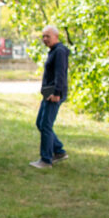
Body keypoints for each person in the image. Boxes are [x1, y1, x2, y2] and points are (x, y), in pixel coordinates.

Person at [30, 25, 70, 168]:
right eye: (43, 36)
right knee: (40, 123)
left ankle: (46, 160)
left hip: (54, 92)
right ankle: (59, 151)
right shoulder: (54, 51)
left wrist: (57, 93)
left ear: (56, 36)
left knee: (46, 125)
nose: (45, 39)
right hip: (48, 91)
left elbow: (61, 73)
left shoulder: (59, 51)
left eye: (48, 36)